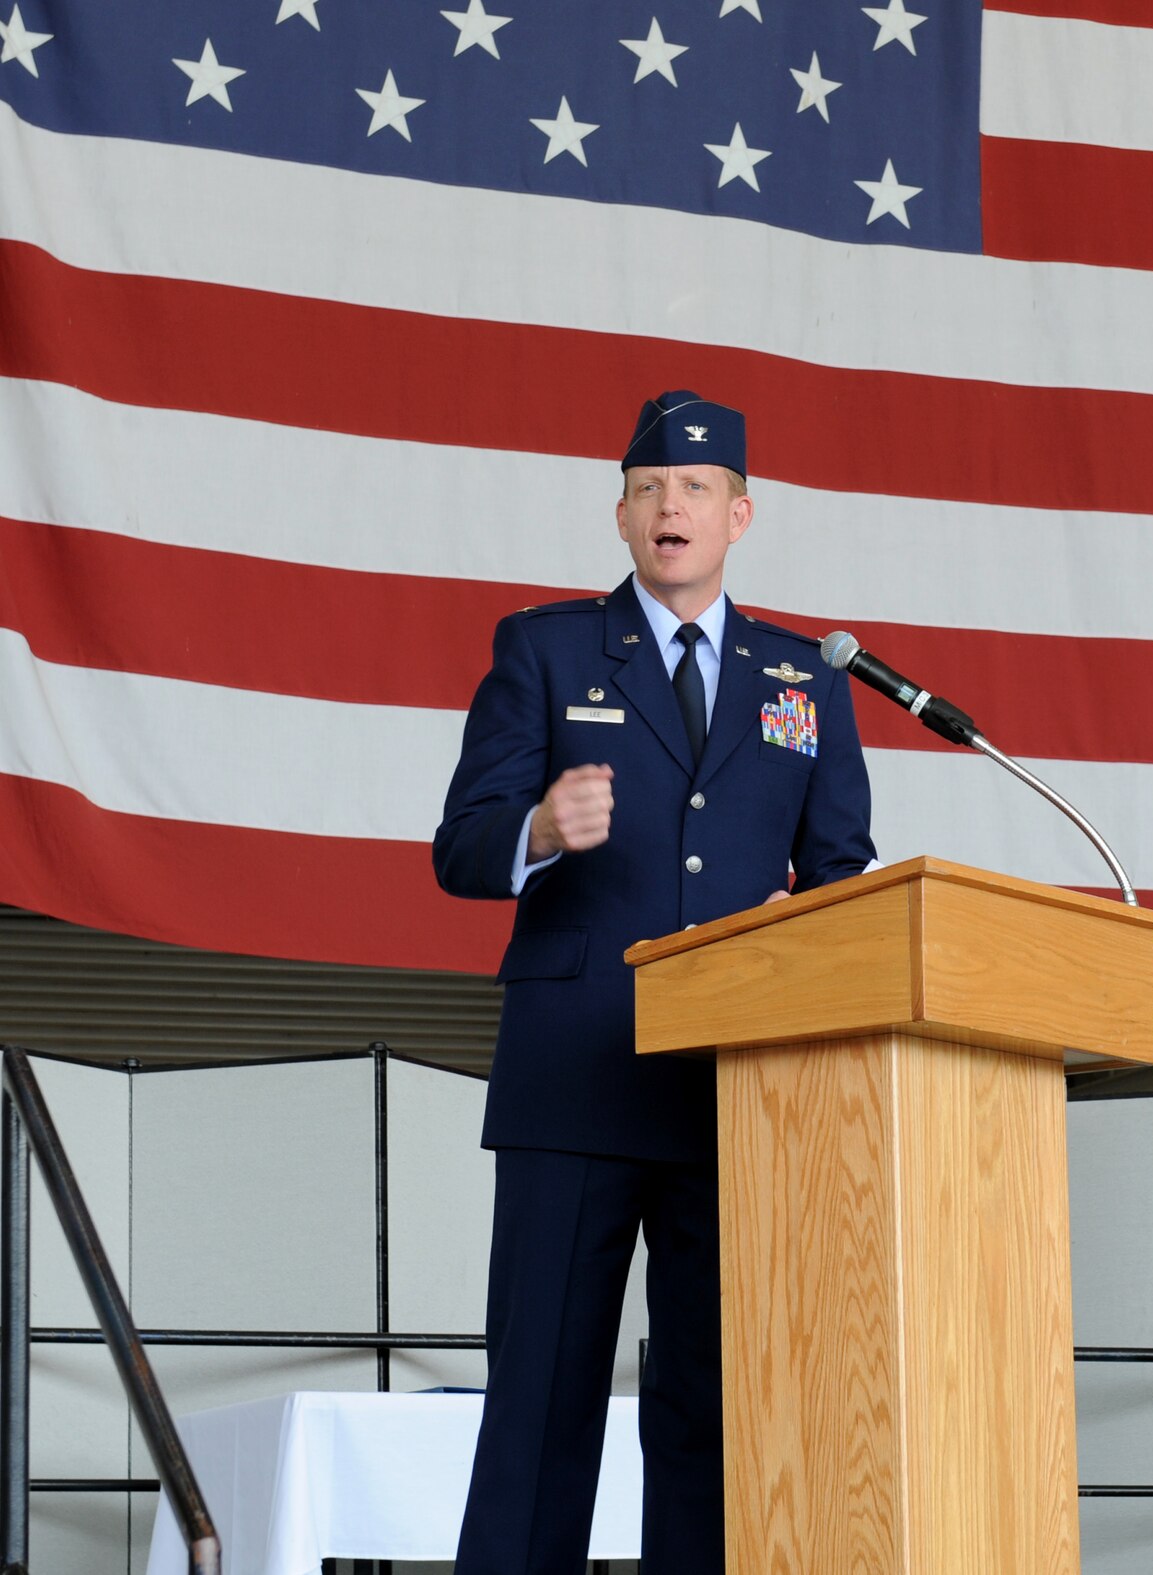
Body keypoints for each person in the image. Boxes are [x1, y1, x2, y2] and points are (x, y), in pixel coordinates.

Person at [433, 389, 876, 1572]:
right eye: (645, 489)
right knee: (541, 1399)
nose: (667, 506)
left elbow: (844, 874)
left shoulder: (806, 677)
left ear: (739, 514)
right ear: (620, 518)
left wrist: (811, 924)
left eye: (692, 489)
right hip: (573, 1078)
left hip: (735, 1092)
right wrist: (534, 825)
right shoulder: (548, 648)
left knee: (713, 1406)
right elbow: (458, 846)